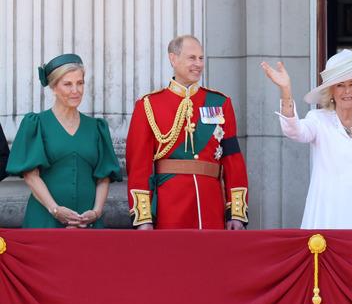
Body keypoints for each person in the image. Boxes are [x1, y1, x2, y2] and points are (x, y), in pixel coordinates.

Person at [260, 50, 352, 229]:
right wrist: (286, 90)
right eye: (340, 85)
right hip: (330, 223)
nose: (347, 91)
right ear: (331, 91)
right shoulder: (318, 120)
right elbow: (294, 130)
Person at [126, 35, 249, 229]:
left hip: (211, 207)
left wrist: (235, 212)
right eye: (192, 58)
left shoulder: (220, 103)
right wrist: (144, 218)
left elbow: (232, 160)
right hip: (169, 208)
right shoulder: (149, 105)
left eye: (201, 58)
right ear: (173, 59)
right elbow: (139, 166)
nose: (198, 64)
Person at [5, 54, 122, 228]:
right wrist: (55, 209)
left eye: (80, 83)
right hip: (45, 219)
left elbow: (103, 177)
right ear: (53, 87)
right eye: (68, 84)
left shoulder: (97, 127)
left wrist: (96, 212)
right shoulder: (36, 124)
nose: (76, 90)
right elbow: (31, 175)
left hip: (87, 222)